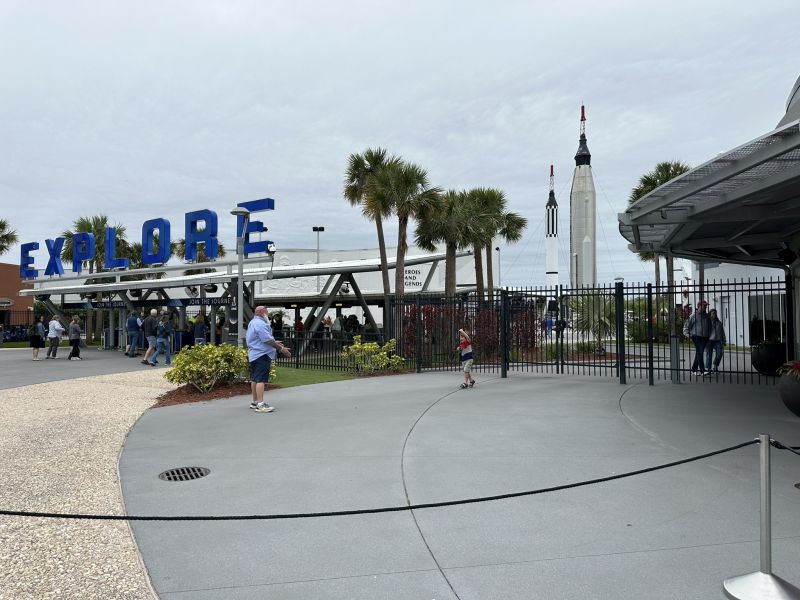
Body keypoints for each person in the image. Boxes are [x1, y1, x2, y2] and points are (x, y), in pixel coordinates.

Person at [246, 305, 291, 413]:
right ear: (262, 312)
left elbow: (260, 338)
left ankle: (255, 402)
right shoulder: (260, 323)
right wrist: (281, 349)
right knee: (261, 379)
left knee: (255, 379)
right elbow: (267, 340)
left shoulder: (253, 322)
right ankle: (261, 405)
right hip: (262, 354)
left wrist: (275, 342)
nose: (268, 314)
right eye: (267, 312)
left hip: (255, 354)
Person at [683, 300, 711, 374]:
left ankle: (694, 369)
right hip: (696, 336)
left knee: (699, 353)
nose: (706, 307)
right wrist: (687, 335)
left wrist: (709, 335)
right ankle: (702, 371)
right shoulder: (693, 316)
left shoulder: (707, 316)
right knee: (700, 352)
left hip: (705, 337)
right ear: (699, 306)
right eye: (704, 306)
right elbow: (686, 326)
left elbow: (710, 326)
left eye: (706, 306)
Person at [704, 308, 726, 375]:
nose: (714, 314)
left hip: (717, 341)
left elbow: (722, 332)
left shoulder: (719, 323)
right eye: (713, 313)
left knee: (719, 354)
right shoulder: (706, 322)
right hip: (709, 341)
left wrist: (724, 340)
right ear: (710, 314)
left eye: (715, 313)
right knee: (709, 355)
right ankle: (708, 369)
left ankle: (715, 366)